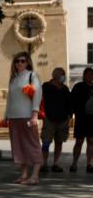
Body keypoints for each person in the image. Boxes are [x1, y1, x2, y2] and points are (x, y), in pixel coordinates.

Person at [5, 51, 43, 185]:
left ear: (28, 62)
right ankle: (24, 175)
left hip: (27, 116)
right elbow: (9, 98)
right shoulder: (13, 78)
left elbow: (37, 95)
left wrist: (34, 114)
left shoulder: (32, 76)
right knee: (18, 146)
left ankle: (35, 175)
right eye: (17, 61)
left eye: (22, 61)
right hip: (14, 117)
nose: (19, 63)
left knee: (32, 145)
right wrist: (6, 115)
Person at [40, 67, 72, 172]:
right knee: (46, 142)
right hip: (49, 119)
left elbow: (69, 104)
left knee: (59, 142)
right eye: (62, 74)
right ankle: (43, 164)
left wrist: (69, 116)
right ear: (55, 76)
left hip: (62, 120)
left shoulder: (65, 89)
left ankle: (56, 164)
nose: (64, 77)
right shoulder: (46, 87)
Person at [69, 67, 93, 173]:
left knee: (91, 141)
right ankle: (74, 163)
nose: (90, 76)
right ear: (84, 76)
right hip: (81, 118)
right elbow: (71, 101)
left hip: (92, 119)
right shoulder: (78, 87)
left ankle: (90, 164)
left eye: (91, 74)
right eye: (87, 74)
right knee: (79, 141)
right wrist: (73, 113)